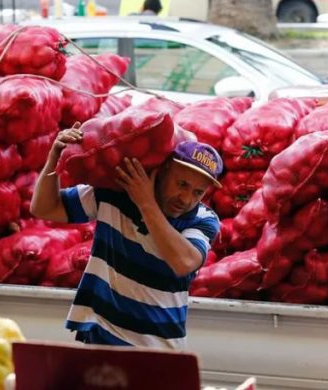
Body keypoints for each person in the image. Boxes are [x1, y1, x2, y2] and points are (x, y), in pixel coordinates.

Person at [31, 122, 222, 348]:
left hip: (158, 350)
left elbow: (183, 261)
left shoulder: (204, 219)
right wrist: (55, 157)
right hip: (101, 337)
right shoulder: (114, 195)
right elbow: (44, 208)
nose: (186, 198)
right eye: (182, 184)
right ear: (163, 171)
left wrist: (145, 202)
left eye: (198, 192)